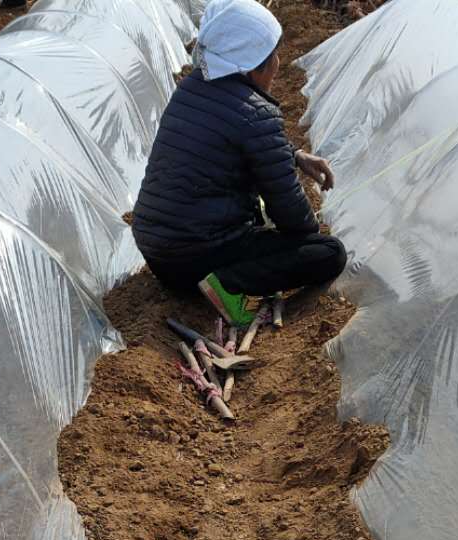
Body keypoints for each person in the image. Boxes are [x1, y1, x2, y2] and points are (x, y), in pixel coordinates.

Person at [132, 0, 347, 327]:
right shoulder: (256, 114)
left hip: (158, 252)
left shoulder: (192, 88)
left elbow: (233, 136)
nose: (278, 64)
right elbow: (293, 218)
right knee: (329, 253)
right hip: (195, 257)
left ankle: (223, 276)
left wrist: (296, 156)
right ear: (252, 66)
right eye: (274, 56)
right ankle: (229, 284)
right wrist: (305, 238)